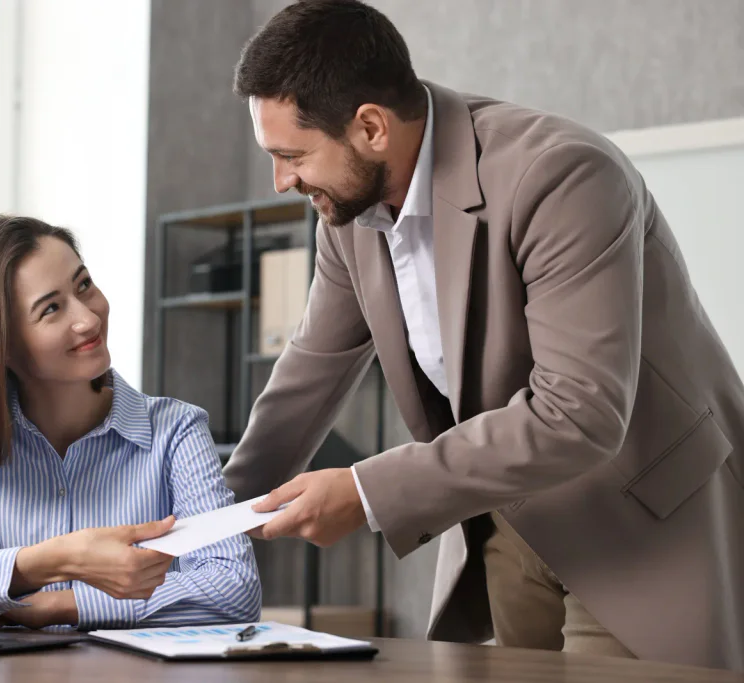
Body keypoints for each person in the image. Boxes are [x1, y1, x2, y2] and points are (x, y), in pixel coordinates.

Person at [222, 0, 744, 671]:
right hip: (507, 511)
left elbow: (578, 412)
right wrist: (206, 521)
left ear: (371, 127)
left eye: (291, 155)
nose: (282, 180)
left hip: (637, 507)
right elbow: (308, 373)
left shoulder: (562, 176)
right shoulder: (348, 217)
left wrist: (366, 489)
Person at [0, 214, 260, 631]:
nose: (89, 319)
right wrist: (55, 559)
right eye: (51, 308)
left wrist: (64, 605)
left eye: (84, 286)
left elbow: (235, 589)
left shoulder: (176, 430)